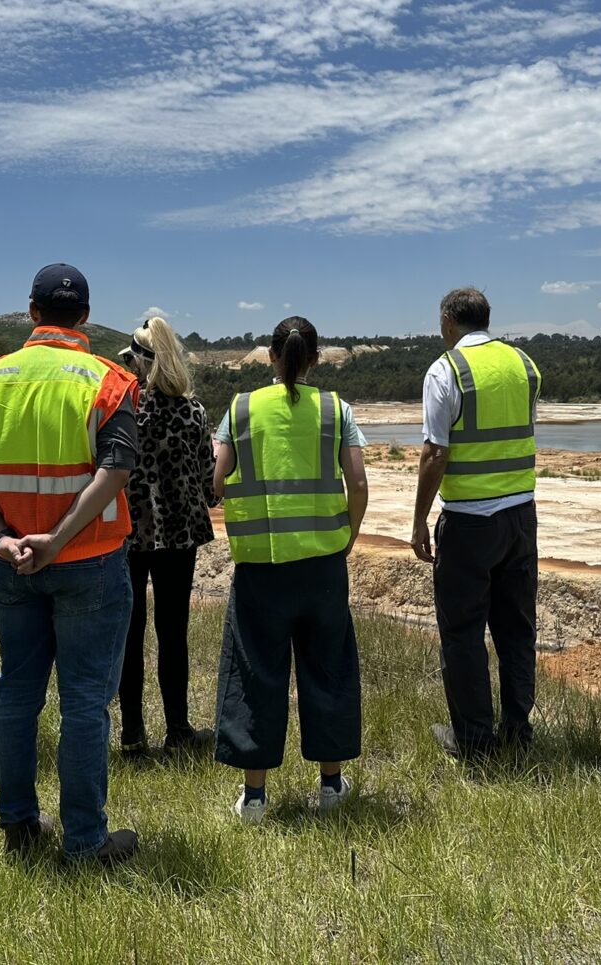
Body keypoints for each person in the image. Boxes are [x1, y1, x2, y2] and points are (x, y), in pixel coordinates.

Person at [0, 263, 140, 865]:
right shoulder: (109, 382)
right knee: (84, 700)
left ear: (31, 313)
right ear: (84, 316)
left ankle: (18, 827)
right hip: (90, 560)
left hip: (13, 565)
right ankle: (86, 840)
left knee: (16, 691)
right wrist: (56, 540)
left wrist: (2, 537)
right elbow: (117, 468)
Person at [212, 315, 368, 822]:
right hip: (323, 563)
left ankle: (255, 797)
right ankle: (330, 786)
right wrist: (348, 534)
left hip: (262, 566)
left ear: (271, 357)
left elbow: (217, 480)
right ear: (315, 359)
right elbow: (358, 483)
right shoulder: (335, 408)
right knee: (329, 669)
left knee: (257, 672)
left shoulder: (240, 408)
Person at [410, 288, 541, 760]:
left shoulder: (446, 370)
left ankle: (473, 741)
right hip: (522, 517)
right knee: (517, 630)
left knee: (463, 634)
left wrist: (420, 519)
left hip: (469, 522)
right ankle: (517, 732)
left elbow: (435, 453)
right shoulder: (524, 365)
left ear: (448, 321)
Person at [119, 317, 218, 755]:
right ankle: (177, 730)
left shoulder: (123, 409)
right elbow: (208, 478)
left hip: (129, 533)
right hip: (180, 535)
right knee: (173, 633)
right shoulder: (192, 410)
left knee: (130, 634)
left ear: (140, 363)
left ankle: (132, 734)